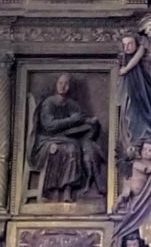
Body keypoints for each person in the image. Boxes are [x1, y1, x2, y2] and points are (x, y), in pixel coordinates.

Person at [29, 72, 106, 201]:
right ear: (56, 84)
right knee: (69, 148)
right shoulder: (49, 103)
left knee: (78, 147)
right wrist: (71, 120)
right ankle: (49, 192)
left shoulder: (71, 104)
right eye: (60, 83)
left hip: (65, 139)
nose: (62, 86)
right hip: (46, 140)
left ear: (70, 87)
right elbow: (49, 125)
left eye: (66, 84)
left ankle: (68, 190)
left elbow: (79, 118)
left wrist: (89, 121)